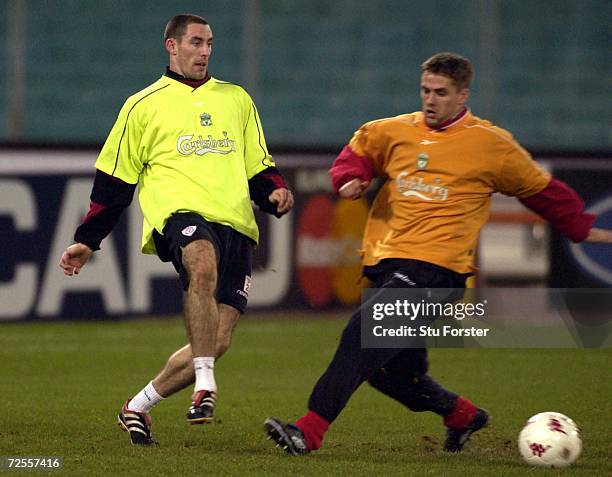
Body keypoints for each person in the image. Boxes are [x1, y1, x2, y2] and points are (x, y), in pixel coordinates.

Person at [264, 52, 612, 456]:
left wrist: (579, 227)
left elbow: (541, 190)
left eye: (441, 93)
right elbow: (357, 153)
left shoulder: (491, 145)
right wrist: (351, 179)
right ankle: (461, 414)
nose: (431, 100)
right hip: (386, 264)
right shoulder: (394, 131)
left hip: (437, 271)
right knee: (391, 371)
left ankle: (308, 431)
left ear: (463, 94)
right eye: (426, 90)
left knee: (363, 333)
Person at [59, 13, 294, 446]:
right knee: (200, 264)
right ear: (171, 45)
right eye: (196, 42)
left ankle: (138, 405)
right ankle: (205, 386)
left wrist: (274, 192)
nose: (204, 51)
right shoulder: (142, 105)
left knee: (218, 339)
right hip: (179, 216)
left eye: (209, 43)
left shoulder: (236, 99)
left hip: (236, 224)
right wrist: (86, 241)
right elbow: (113, 184)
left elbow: (258, 165)